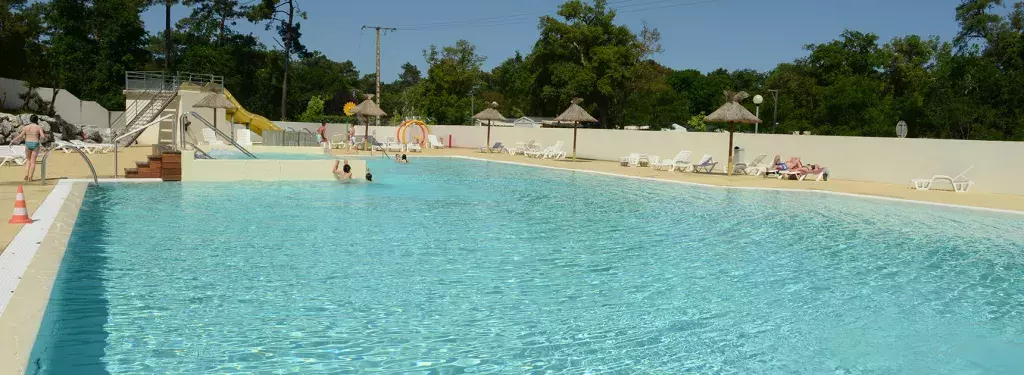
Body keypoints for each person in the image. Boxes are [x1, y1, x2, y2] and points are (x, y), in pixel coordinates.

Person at [11, 115, 46, 181]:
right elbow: (43, 136)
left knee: (28, 160)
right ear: (37, 120)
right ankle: (30, 177)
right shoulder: (38, 127)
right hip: (35, 144)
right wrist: (43, 136)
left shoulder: (26, 127)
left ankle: (26, 173)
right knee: (33, 162)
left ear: (30, 120)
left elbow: (20, 136)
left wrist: (13, 141)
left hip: (27, 144)